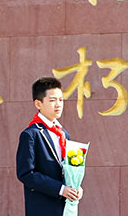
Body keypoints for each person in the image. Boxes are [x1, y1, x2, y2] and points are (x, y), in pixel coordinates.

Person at [17, 77, 82, 216]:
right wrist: (60, 189)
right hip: (42, 208)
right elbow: (26, 174)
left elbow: (68, 169)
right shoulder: (31, 134)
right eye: (52, 100)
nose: (58, 104)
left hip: (65, 208)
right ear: (38, 104)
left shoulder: (64, 134)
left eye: (61, 100)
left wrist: (76, 187)